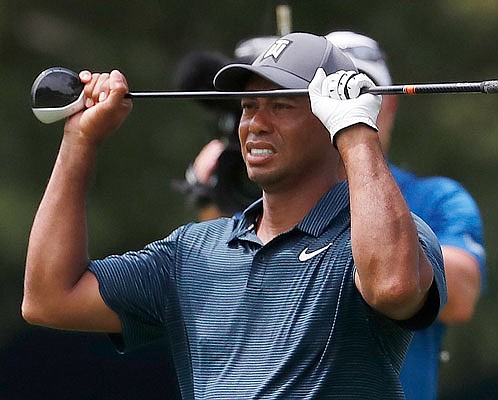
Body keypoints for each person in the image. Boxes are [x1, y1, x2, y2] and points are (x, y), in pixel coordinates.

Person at [22, 32, 447, 399]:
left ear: (330, 118)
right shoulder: (191, 252)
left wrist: (356, 135)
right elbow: (49, 298)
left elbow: (392, 286)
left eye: (280, 106)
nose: (254, 124)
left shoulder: (390, 235)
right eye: (247, 106)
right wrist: (79, 142)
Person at [326, 30, 486, 399]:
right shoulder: (272, 201)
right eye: (333, 93)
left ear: (391, 105)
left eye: (360, 93)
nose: (346, 106)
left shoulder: (435, 197)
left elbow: (460, 294)